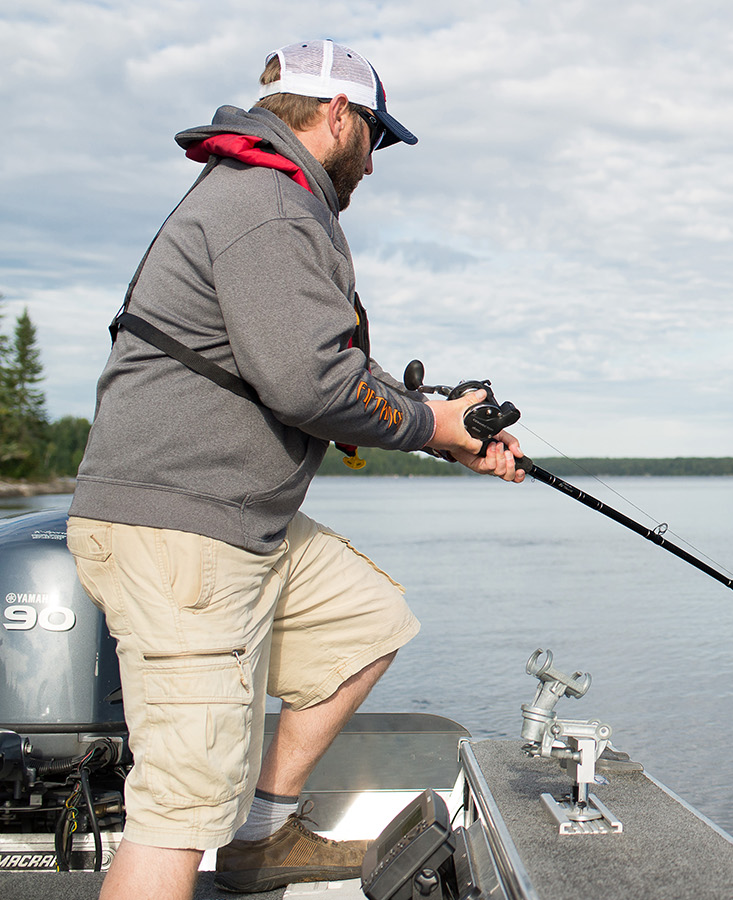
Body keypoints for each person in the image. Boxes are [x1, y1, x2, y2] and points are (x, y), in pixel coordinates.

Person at [65, 40, 524, 899]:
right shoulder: (269, 206)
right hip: (183, 530)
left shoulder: (273, 200)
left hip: (236, 518)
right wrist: (431, 423)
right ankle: (218, 836)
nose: (374, 166)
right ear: (338, 116)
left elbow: (326, 367)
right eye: (375, 140)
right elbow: (308, 383)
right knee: (176, 810)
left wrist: (454, 430)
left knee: (365, 623)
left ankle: (262, 837)